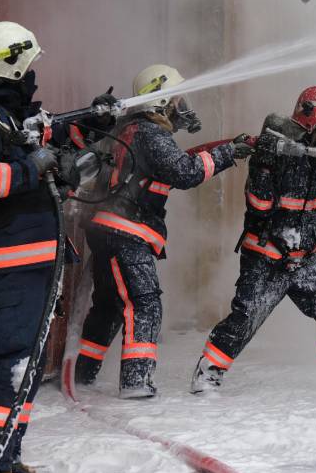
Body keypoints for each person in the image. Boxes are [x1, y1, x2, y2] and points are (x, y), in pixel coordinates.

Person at [0, 21, 113, 473]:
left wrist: (99, 118)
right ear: (11, 68)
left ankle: (10, 457)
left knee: (28, 364)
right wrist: (32, 167)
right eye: (28, 68)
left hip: (36, 261)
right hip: (11, 263)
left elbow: (59, 129)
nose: (32, 78)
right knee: (12, 365)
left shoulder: (12, 119)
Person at [73, 65, 251, 398]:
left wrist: (225, 146)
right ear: (162, 99)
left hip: (110, 228)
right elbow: (184, 172)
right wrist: (228, 154)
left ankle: (83, 371)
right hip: (128, 232)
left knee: (109, 305)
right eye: (178, 100)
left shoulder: (131, 129)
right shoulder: (150, 134)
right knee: (145, 304)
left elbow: (170, 161)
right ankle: (136, 381)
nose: (183, 107)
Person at [190, 86, 316, 396]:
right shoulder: (274, 153)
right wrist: (264, 166)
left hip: (306, 256)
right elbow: (259, 205)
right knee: (247, 317)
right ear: (311, 125)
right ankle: (207, 375)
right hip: (267, 255)